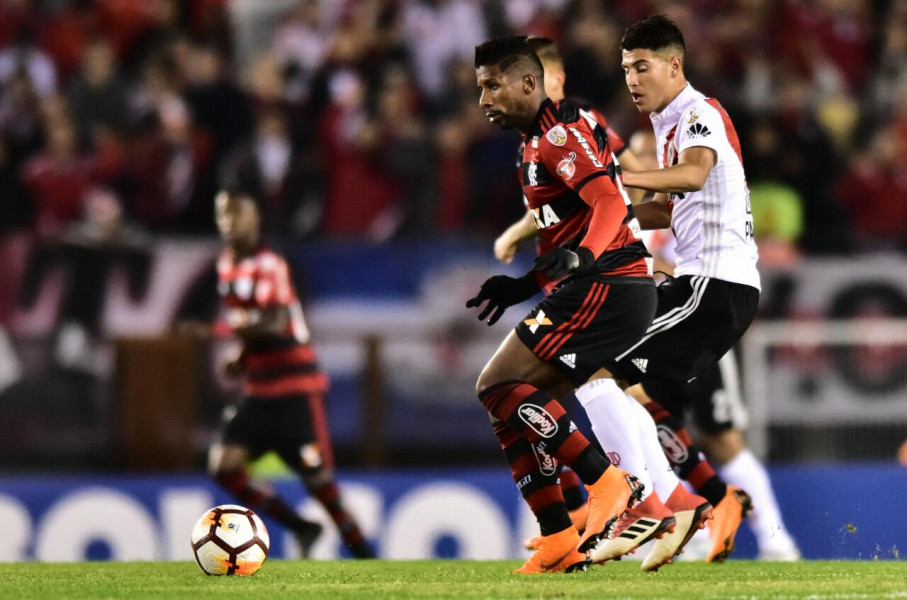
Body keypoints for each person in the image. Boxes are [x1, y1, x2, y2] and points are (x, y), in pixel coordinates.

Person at [469, 35, 671, 574]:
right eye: (479, 87)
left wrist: (582, 257)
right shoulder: (531, 144)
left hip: (611, 285)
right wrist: (524, 283)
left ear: (528, 83)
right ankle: (559, 536)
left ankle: (609, 483)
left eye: (493, 85)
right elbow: (567, 233)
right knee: (512, 404)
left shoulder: (559, 135)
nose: (484, 98)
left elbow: (608, 200)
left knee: (494, 385)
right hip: (597, 283)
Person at [592, 15, 762, 562]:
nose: (633, 80)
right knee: (625, 390)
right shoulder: (669, 122)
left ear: (674, 65)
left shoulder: (696, 114)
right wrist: (609, 214)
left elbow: (690, 176)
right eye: (625, 70)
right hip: (705, 286)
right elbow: (669, 205)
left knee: (591, 364)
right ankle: (683, 500)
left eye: (642, 67)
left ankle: (652, 506)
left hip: (712, 285)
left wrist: (615, 180)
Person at [208, 184, 374, 559]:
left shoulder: (269, 263)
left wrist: (218, 332)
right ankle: (302, 527)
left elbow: (275, 321)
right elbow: (251, 326)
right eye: (223, 214)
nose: (229, 222)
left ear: (256, 218)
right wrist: (240, 355)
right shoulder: (226, 265)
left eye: (237, 213)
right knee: (224, 466)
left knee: (318, 481)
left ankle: (365, 554)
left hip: (295, 387)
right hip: (258, 388)